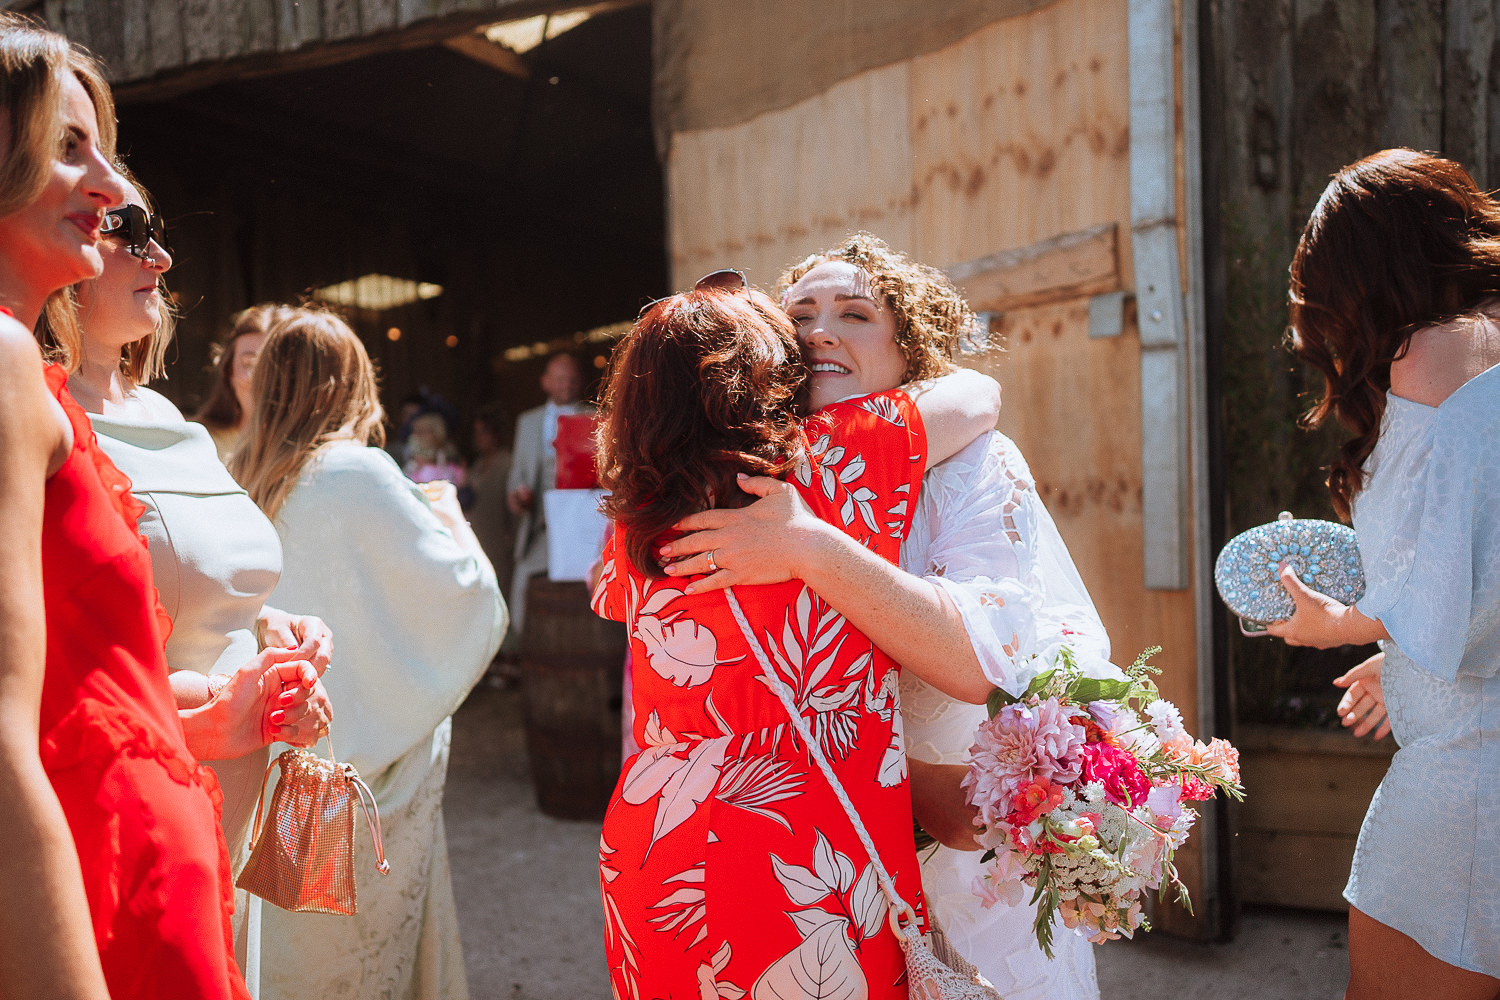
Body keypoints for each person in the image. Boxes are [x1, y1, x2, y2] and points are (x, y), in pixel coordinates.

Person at [658, 234, 1109, 998]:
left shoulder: (973, 462)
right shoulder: (737, 474)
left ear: (911, 358)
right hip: (795, 852)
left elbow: (975, 662)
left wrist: (809, 547)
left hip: (957, 858)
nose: (818, 331)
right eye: (798, 313)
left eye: (855, 314)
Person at [592, 271, 1001, 998]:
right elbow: (977, 396)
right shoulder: (819, 465)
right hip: (793, 830)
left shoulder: (634, 520)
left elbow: (615, 605)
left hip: (656, 832)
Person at [0, 15, 282, 998]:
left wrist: (184, 715)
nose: (114, 191)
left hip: (141, 870)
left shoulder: (27, 378)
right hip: (99, 900)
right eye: (68, 149)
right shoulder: (3, 364)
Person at [45, 170, 334, 995]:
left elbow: (196, 585)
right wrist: (192, 716)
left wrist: (281, 627)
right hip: (141, 794)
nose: (161, 257)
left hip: (237, 791)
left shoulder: (171, 419)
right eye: (129, 233)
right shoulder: (38, 411)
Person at [1264, 149, 1500, 1000]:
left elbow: (1442, 580)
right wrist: (1400, 644)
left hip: (1469, 782)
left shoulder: (1436, 355)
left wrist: (1345, 622)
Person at [233, 307, 506, 1000]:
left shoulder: (243, 477)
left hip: (275, 763)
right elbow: (463, 593)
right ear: (352, 384)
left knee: (286, 943)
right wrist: (446, 512)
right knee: (363, 956)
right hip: (365, 775)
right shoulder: (356, 469)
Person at [507, 351, 591, 637]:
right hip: (538, 522)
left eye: (571, 379)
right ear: (545, 382)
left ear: (579, 382)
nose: (566, 385)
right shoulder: (527, 422)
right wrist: (518, 497)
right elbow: (518, 473)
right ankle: (522, 642)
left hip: (579, 519)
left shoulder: (595, 417)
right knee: (524, 581)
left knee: (582, 583)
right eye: (559, 379)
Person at [194, 303, 290, 462]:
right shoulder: (202, 444)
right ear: (229, 371)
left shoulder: (319, 448)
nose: (262, 379)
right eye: (249, 364)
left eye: (275, 366)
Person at [468, 401, 515, 606]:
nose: (479, 438)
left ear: (496, 434)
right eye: (476, 432)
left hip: (499, 543)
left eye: (484, 432)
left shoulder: (507, 464)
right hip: (478, 541)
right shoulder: (476, 465)